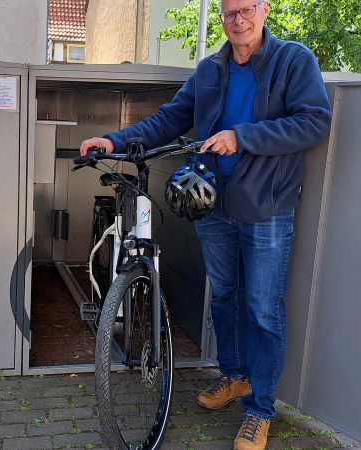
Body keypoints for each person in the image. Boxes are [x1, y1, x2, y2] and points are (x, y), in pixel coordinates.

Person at [79, 0, 332, 448]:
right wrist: (114, 140)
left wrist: (244, 136)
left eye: (247, 10)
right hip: (212, 203)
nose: (239, 20)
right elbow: (170, 119)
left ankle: (260, 409)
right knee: (226, 297)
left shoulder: (294, 59)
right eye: (230, 13)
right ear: (222, 16)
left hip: (268, 206)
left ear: (265, 10)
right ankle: (235, 377)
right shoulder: (210, 68)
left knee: (263, 307)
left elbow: (314, 122)